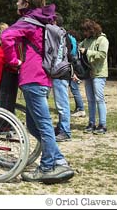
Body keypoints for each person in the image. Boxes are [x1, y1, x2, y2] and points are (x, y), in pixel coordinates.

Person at [1, 0, 74, 183]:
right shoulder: (44, 21)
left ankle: (47, 166)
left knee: (43, 126)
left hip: (32, 78)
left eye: (19, 0)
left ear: (26, 3)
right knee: (34, 127)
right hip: (44, 78)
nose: (16, 3)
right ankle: (58, 160)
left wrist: (14, 61)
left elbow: (6, 36)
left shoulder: (27, 22)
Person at [79, 19, 109, 134]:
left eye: (85, 31)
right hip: (88, 73)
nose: (84, 33)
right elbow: (78, 47)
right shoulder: (86, 40)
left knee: (99, 99)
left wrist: (87, 52)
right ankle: (91, 123)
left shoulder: (103, 40)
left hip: (99, 73)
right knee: (90, 99)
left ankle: (102, 124)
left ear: (91, 30)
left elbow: (102, 55)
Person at [50, 14, 72, 142]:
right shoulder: (64, 36)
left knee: (62, 104)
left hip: (60, 73)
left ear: (55, 22)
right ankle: (61, 127)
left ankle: (65, 131)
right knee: (60, 103)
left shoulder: (61, 36)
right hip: (62, 72)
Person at [67, 29, 86, 118]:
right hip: (76, 65)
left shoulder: (69, 39)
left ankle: (81, 109)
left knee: (74, 89)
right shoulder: (75, 41)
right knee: (74, 88)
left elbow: (71, 54)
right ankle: (78, 108)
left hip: (73, 66)